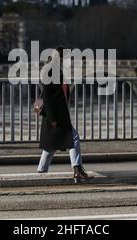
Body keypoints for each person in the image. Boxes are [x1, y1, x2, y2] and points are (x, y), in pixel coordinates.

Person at [37, 46, 92, 183]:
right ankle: (77, 169)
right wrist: (52, 118)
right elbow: (48, 97)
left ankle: (41, 172)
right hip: (56, 115)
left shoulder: (53, 68)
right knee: (73, 138)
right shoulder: (51, 70)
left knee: (51, 145)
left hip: (57, 113)